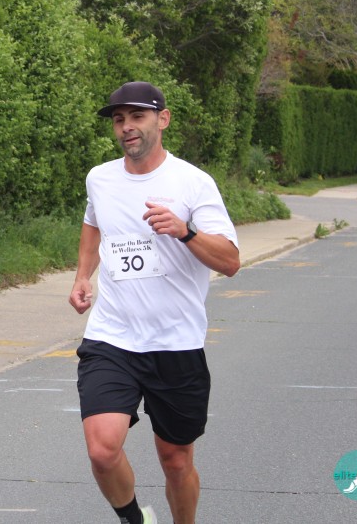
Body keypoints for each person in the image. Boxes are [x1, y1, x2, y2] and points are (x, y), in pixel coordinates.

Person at [68, 82, 240, 524]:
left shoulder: (193, 183)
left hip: (175, 342)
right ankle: (136, 520)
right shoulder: (100, 178)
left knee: (176, 460)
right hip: (112, 337)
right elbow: (93, 222)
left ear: (162, 120)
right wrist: (83, 275)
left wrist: (186, 231)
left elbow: (230, 261)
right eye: (118, 119)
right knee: (102, 450)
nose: (127, 127)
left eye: (137, 116)